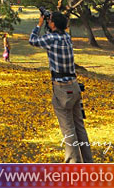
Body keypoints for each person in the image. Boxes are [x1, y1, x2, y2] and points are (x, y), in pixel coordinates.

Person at [29, 10, 93, 163]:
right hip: (75, 86)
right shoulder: (67, 37)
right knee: (79, 127)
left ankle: (73, 166)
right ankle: (88, 163)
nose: (48, 22)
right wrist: (49, 21)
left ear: (53, 24)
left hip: (62, 89)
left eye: (50, 20)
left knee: (68, 129)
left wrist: (39, 24)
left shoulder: (51, 38)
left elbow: (32, 40)